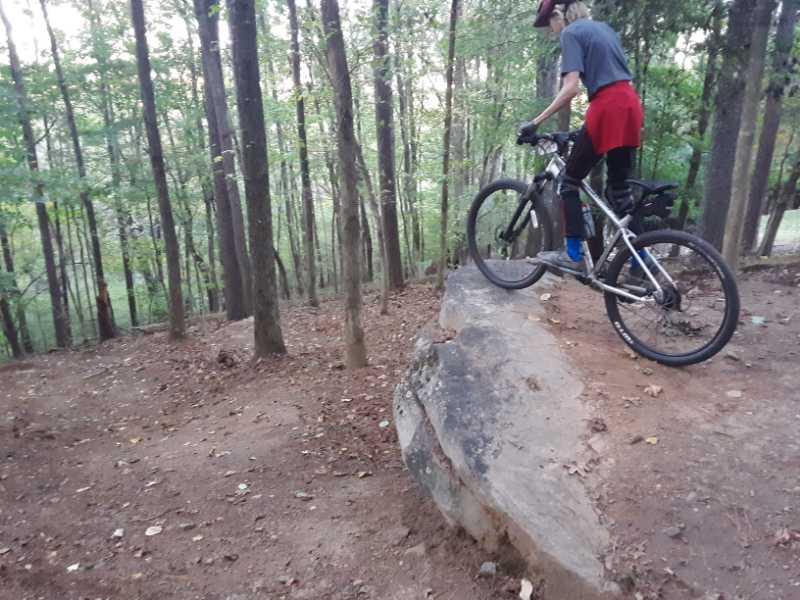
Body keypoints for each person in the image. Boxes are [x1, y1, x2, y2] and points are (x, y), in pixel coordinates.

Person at [518, 0, 643, 273]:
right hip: (630, 106)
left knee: (569, 181)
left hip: (607, 107)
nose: (552, 31)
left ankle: (572, 256)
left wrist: (535, 123)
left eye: (550, 23)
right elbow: (612, 75)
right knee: (619, 191)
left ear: (558, 14)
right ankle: (641, 261)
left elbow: (571, 87)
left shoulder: (571, 33)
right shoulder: (605, 29)